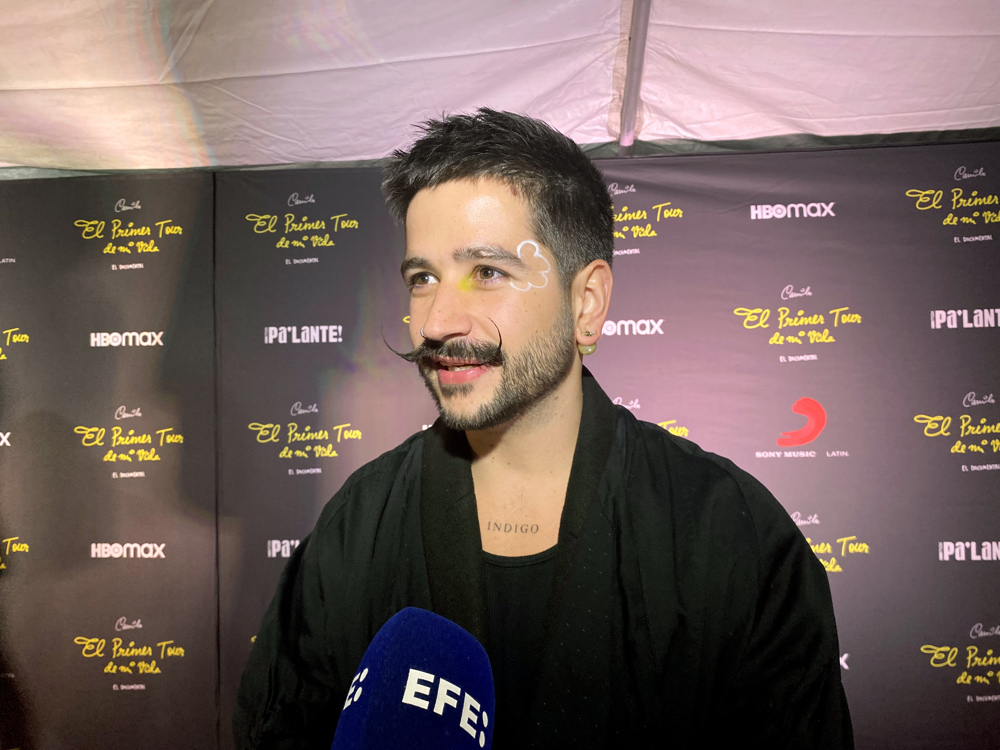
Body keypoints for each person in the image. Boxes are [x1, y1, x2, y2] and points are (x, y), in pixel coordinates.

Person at [233, 109, 853, 749]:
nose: (438, 320)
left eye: (488, 272)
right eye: (423, 279)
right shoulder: (354, 529)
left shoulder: (731, 535)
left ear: (586, 304)